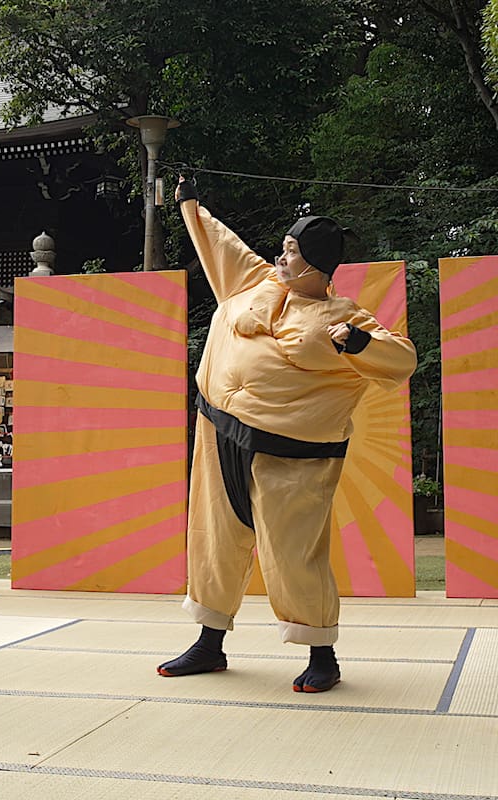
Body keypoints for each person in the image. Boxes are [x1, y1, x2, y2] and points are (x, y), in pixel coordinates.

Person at [159, 176, 416, 692]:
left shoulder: (344, 315)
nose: (281, 255)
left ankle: (323, 653)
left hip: (293, 454)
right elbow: (220, 242)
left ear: (316, 264)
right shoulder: (253, 281)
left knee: (294, 551)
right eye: (283, 246)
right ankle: (210, 643)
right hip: (218, 432)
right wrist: (189, 203)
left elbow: (402, 358)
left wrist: (359, 343)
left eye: (292, 250)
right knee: (213, 536)